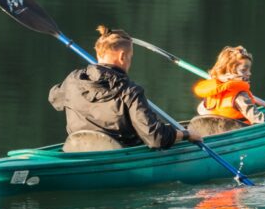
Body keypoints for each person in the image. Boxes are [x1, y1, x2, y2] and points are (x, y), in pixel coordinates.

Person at [49, 25, 201, 150]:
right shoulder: (131, 92)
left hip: (76, 149)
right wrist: (186, 135)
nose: (130, 62)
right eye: (130, 57)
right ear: (122, 56)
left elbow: (54, 98)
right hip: (119, 155)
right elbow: (156, 138)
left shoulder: (73, 79)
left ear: (98, 52)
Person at [193, 46, 265, 126]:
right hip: (234, 132)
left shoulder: (212, 92)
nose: (249, 73)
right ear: (228, 72)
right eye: (244, 70)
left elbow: (201, 110)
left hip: (213, 131)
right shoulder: (240, 96)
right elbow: (260, 120)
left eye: (249, 70)